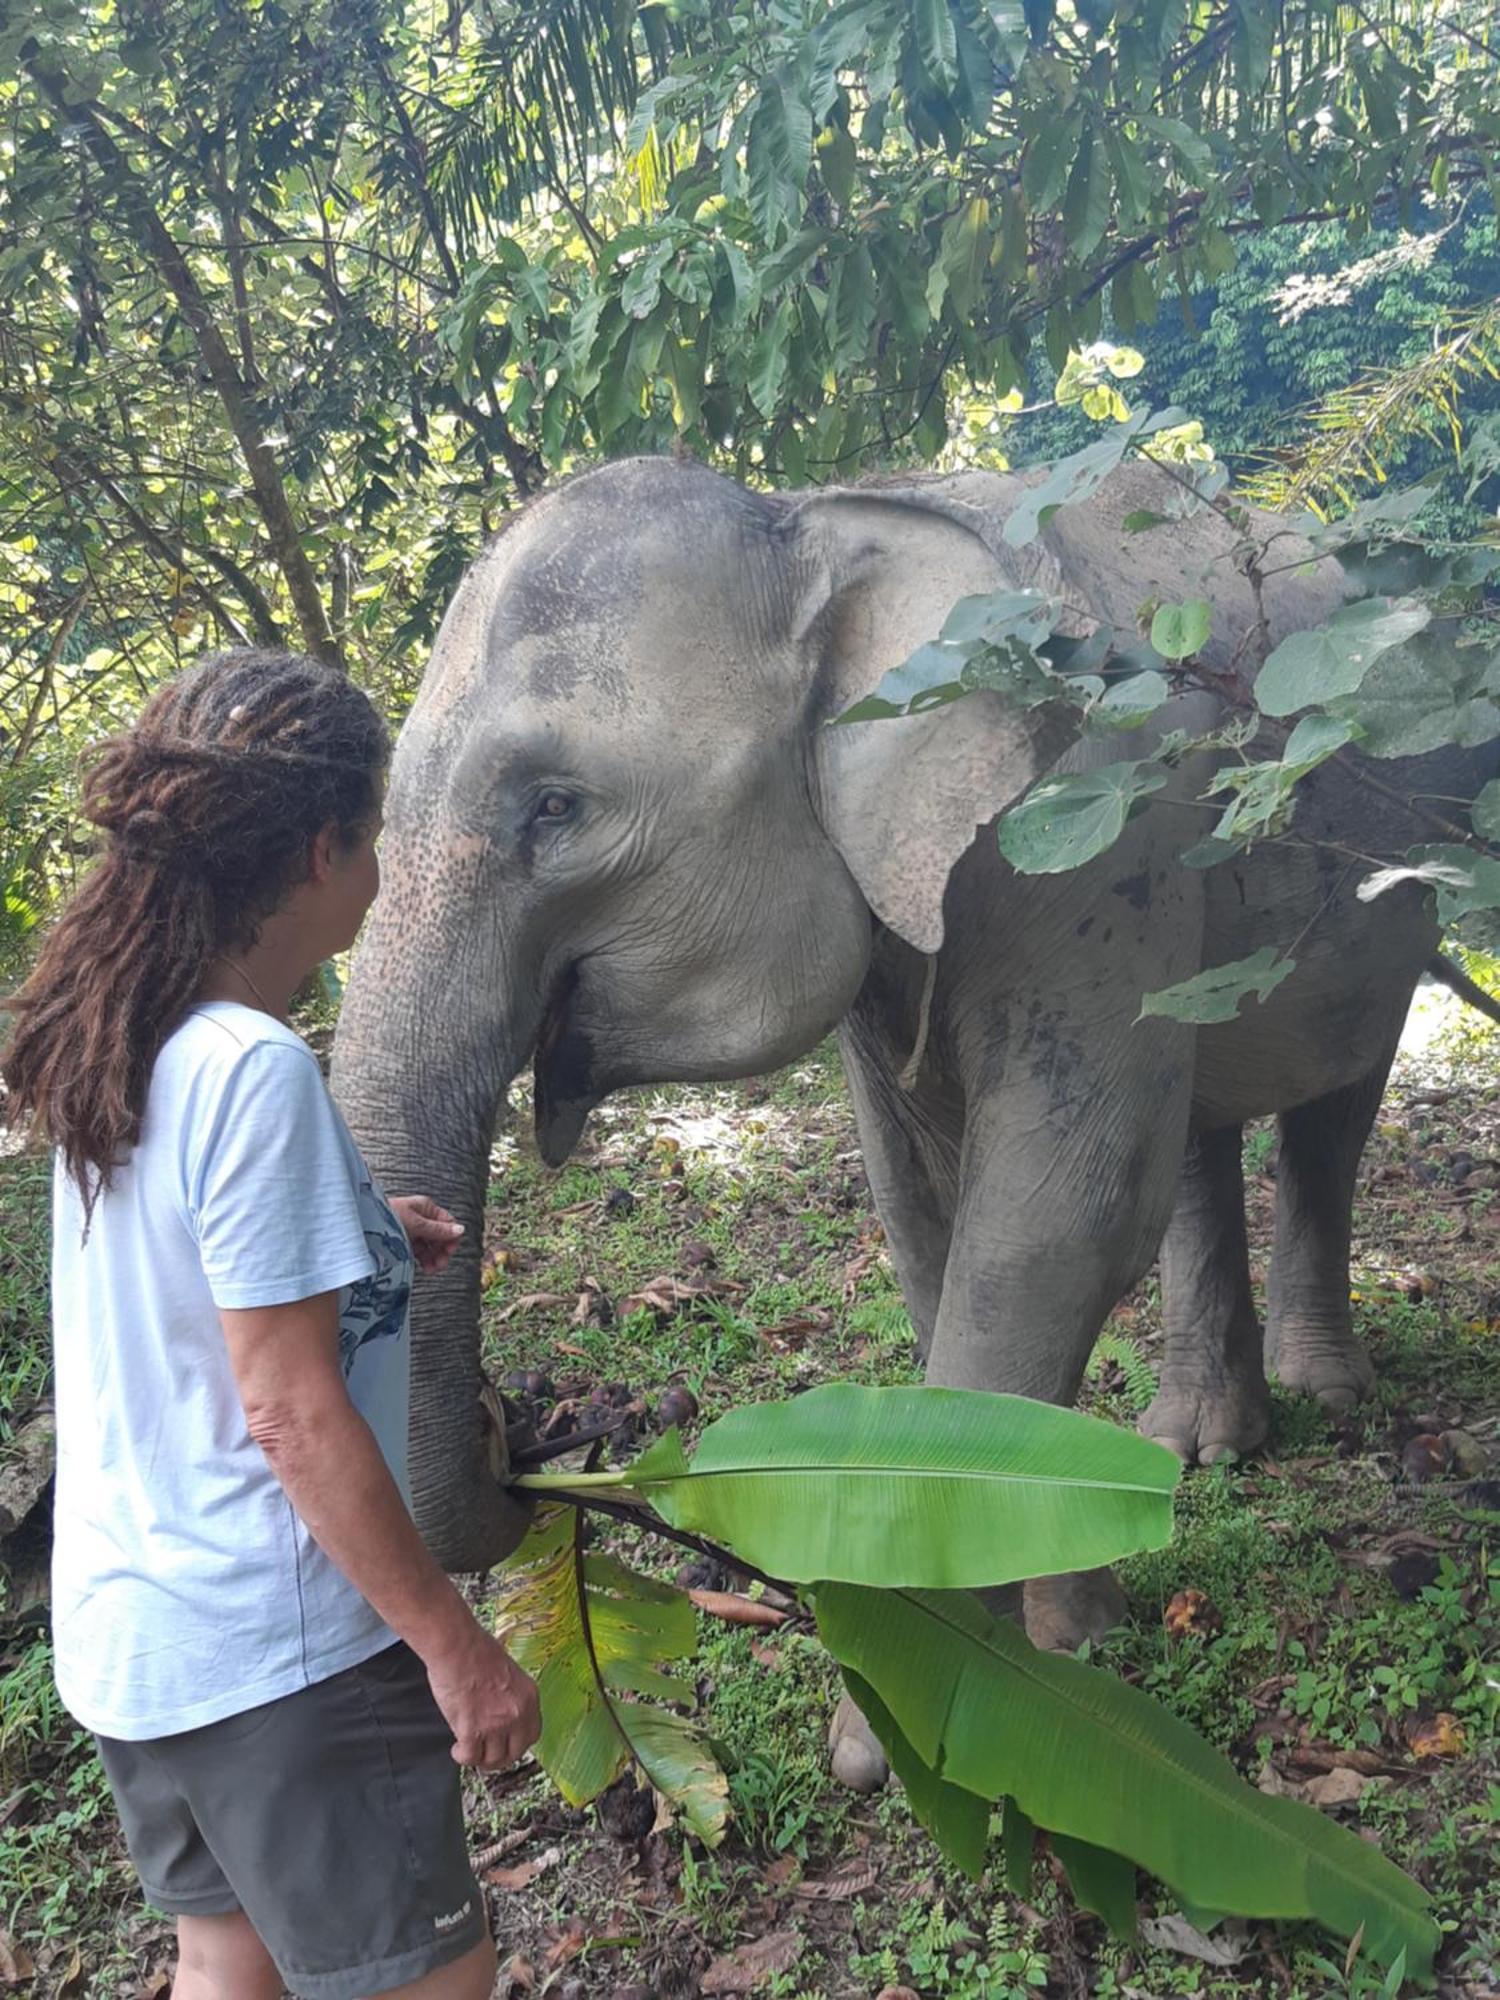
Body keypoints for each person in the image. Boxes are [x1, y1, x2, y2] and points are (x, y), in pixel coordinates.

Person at [2, 648, 540, 2000]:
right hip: (278, 1657)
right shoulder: (255, 1066)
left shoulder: (118, 1034)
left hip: (135, 1639)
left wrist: (356, 1239)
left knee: (223, 1960)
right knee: (433, 1981)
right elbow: (287, 1410)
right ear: (323, 853)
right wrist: (452, 1645)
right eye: (379, 841)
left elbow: (178, 1291)